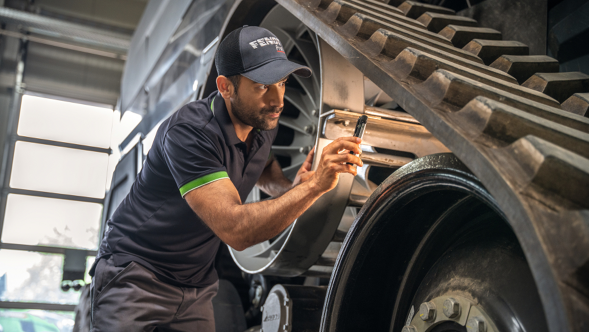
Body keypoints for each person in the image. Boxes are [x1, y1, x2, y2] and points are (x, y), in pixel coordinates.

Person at [89, 26, 362, 332]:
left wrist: (292, 187)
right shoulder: (190, 134)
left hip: (195, 286)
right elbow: (236, 229)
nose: (278, 100)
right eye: (262, 86)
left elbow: (261, 167)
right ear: (226, 87)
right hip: (137, 275)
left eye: (282, 83)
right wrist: (314, 186)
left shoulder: (262, 120)